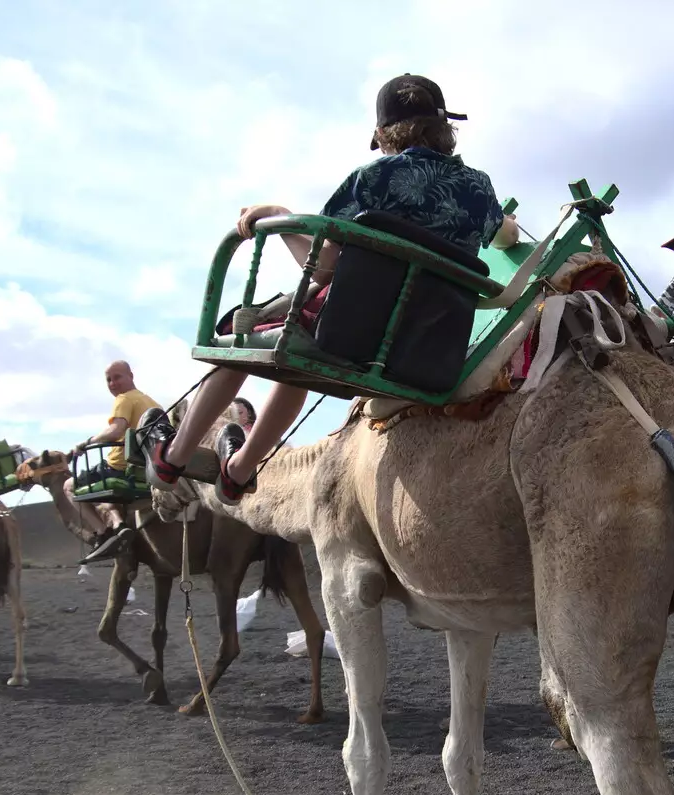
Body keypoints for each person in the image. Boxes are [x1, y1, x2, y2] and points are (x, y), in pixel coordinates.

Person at [140, 73, 518, 504]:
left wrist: (280, 215)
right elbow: (503, 235)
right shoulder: (480, 188)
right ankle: (239, 470)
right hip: (428, 350)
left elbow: (323, 265)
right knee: (298, 347)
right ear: (444, 128)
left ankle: (173, 457)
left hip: (355, 335)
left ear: (382, 133)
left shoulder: (373, 177)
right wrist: (506, 227)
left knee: (247, 331)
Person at [68, 360, 159, 564]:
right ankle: (119, 524)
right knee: (102, 488)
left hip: (119, 467)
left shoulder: (124, 399)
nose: (112, 383)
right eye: (108, 379)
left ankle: (103, 533)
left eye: (117, 377)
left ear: (131, 376)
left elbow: (116, 431)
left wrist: (86, 442)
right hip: (145, 470)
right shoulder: (154, 404)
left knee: (68, 487)